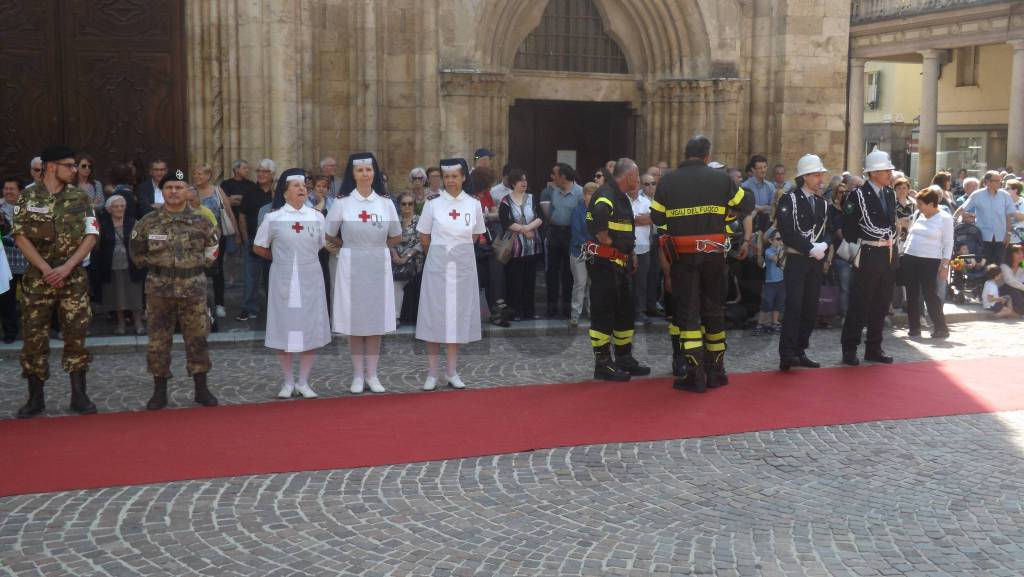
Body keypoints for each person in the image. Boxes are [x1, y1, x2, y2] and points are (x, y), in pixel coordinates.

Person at [651, 136, 753, 392]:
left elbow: (656, 216)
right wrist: (727, 213)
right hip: (714, 257)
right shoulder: (721, 179)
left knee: (688, 315)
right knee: (714, 311)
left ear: (685, 154)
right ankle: (717, 372)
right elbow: (746, 203)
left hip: (683, 258)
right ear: (707, 156)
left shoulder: (668, 181)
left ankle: (694, 375)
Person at [12, 146, 99, 418]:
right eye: (69, 165)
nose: (74, 170)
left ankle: (79, 395)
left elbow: (92, 234)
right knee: (33, 338)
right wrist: (46, 268)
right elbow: (20, 235)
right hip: (38, 280)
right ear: (51, 166)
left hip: (72, 279)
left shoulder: (80, 197)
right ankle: (35, 398)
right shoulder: (26, 197)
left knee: (76, 335)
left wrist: (68, 266)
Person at [130, 168, 219, 410]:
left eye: (179, 187)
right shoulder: (148, 222)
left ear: (188, 191)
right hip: (159, 290)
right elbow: (137, 253)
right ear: (162, 191)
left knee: (198, 338)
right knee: (158, 341)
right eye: (169, 187)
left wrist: (193, 269)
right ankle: (159, 391)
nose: (173, 191)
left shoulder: (201, 220)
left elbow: (212, 251)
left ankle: (201, 389)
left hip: (193, 289)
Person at [326, 153, 402, 394]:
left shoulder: (386, 202)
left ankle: (373, 374)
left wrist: (377, 248)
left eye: (369, 170)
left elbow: (396, 235)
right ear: (353, 174)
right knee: (355, 320)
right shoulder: (342, 203)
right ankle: (358, 375)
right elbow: (329, 233)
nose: (365, 174)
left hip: (378, 262)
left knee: (375, 320)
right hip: (351, 263)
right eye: (360, 171)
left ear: (374, 173)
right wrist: (350, 244)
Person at [253, 168, 331, 399]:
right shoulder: (273, 218)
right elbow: (259, 247)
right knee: (284, 327)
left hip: (310, 277)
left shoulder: (316, 217)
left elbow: (319, 244)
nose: (301, 189)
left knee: (310, 325)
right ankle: (288, 381)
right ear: (285, 193)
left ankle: (304, 381)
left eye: (303, 186)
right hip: (283, 278)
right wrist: (281, 259)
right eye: (296, 186)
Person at [415, 158, 485, 390]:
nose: (451, 181)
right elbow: (424, 236)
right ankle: (432, 373)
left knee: (457, 316)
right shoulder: (432, 204)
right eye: (447, 177)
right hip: (437, 265)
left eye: (455, 176)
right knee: (435, 316)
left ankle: (452, 371)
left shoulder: (473, 204)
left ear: (463, 177)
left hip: (463, 266)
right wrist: (438, 255)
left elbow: (475, 235)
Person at [584, 158, 650, 381]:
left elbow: (623, 229)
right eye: (638, 176)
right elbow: (600, 216)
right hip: (605, 264)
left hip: (620, 264)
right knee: (604, 313)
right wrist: (607, 240)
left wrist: (629, 253)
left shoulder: (621, 197)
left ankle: (624, 358)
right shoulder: (607, 194)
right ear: (629, 176)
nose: (639, 180)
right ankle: (602, 364)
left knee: (625, 312)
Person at [841, 149, 899, 366]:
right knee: (860, 303)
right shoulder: (856, 196)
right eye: (886, 170)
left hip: (888, 254)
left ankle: (874, 347)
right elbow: (849, 229)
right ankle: (850, 348)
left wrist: (889, 237)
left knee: (881, 304)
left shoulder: (889, 193)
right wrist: (874, 239)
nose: (889, 174)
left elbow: (891, 223)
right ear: (873, 173)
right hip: (868, 253)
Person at [776, 155, 829, 371]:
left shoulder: (821, 202)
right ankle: (787, 354)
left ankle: (800, 349)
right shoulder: (789, 199)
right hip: (798, 259)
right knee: (794, 306)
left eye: (820, 174)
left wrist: (823, 245)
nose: (820, 178)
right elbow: (787, 232)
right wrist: (810, 248)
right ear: (804, 177)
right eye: (816, 175)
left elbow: (828, 229)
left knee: (810, 307)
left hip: (815, 261)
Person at [901, 186, 954, 339]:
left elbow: (948, 243)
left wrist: (945, 266)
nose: (918, 207)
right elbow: (911, 234)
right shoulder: (919, 214)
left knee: (930, 293)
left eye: (921, 204)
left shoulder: (945, 218)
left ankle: (940, 327)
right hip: (911, 256)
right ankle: (914, 327)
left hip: (930, 260)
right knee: (911, 294)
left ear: (931, 204)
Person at [94, 195, 145, 335]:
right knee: (116, 296)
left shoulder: (132, 222)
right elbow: (98, 246)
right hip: (111, 264)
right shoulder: (104, 224)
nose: (119, 209)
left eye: (122, 206)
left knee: (135, 295)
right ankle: (120, 324)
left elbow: (141, 241)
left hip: (131, 264)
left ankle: (138, 323)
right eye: (116, 206)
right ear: (109, 209)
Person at [193, 164, 238, 320]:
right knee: (199, 271)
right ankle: (201, 303)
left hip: (217, 238)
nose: (196, 176)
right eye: (195, 174)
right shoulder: (191, 192)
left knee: (217, 271)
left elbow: (229, 211)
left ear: (208, 175)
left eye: (200, 174)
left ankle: (219, 304)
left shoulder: (218, 191)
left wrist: (236, 234)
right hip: (196, 240)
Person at [499, 168, 543, 320]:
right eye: (520, 180)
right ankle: (516, 312)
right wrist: (524, 230)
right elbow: (505, 221)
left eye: (525, 180)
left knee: (530, 281)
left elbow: (540, 217)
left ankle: (529, 311)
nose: (524, 182)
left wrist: (529, 228)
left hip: (532, 246)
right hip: (515, 247)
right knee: (515, 281)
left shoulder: (532, 198)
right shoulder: (505, 201)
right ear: (513, 183)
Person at [540, 162, 582, 318]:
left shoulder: (579, 193)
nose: (552, 177)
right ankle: (551, 308)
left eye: (555, 174)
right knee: (551, 271)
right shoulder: (554, 192)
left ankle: (566, 308)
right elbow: (550, 211)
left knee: (568, 273)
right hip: (555, 233)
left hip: (571, 234)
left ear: (563, 176)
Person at [237, 159, 276, 321]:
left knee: (272, 277)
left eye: (265, 171)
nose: (260, 174)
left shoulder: (278, 194)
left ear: (272, 174)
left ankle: (273, 308)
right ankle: (249, 308)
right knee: (250, 277)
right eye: (259, 171)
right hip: (253, 240)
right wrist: (246, 239)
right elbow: (242, 216)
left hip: (274, 243)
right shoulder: (250, 192)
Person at [954, 171, 1018, 266]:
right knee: (984, 264)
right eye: (996, 181)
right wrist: (953, 219)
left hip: (1001, 236)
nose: (999, 183)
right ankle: (985, 281)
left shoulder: (1005, 195)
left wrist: (1008, 233)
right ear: (987, 182)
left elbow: (1008, 215)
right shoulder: (977, 195)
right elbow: (963, 208)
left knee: (1000, 264)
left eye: (1000, 181)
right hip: (983, 236)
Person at [1, 177, 28, 342]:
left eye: (12, 189)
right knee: (6, 299)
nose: (8, 192)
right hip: (5, 262)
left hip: (26, 261)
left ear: (20, 192)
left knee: (30, 298)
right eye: (6, 189)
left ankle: (32, 331)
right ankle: (10, 332)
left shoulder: (28, 209)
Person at [391, 191, 423, 326]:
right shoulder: (395, 221)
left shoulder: (420, 220)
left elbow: (422, 241)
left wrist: (407, 257)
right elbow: (389, 240)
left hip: (415, 261)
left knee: (397, 282)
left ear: (414, 205)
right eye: (404, 204)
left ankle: (397, 316)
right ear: (399, 205)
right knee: (393, 281)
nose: (407, 206)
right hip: (396, 260)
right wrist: (395, 256)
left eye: (410, 203)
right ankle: (394, 317)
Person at [568, 182, 597, 327]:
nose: (591, 197)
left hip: (596, 252)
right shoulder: (577, 211)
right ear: (584, 195)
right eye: (589, 194)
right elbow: (576, 233)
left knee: (593, 283)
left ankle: (592, 312)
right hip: (579, 251)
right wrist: (590, 246)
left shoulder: (600, 211)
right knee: (580, 283)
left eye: (594, 194)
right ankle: (575, 315)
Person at [629, 173, 654, 325]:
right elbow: (622, 220)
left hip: (643, 247)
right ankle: (625, 311)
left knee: (641, 282)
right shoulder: (622, 201)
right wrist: (638, 219)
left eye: (638, 183)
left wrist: (632, 220)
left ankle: (639, 311)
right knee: (625, 282)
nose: (636, 185)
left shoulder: (645, 201)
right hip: (625, 247)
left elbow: (651, 219)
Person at [999, 244, 1024, 315]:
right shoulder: (1004, 267)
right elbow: (1010, 281)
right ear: (1010, 255)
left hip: (1018, 290)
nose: (1021, 255)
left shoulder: (1022, 266)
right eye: (1018, 253)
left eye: (1022, 252)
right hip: (1003, 292)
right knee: (1012, 289)